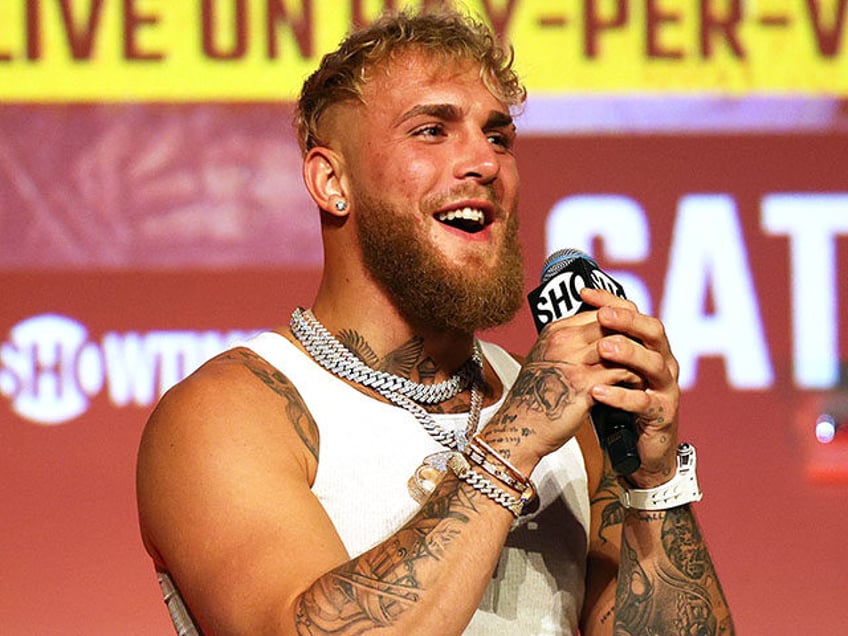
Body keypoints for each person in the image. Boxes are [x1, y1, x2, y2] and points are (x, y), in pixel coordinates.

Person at [136, 8, 734, 635]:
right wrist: (513, 441)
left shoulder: (574, 423)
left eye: (498, 137)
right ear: (331, 178)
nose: (484, 162)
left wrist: (654, 483)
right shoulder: (229, 414)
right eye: (431, 131)